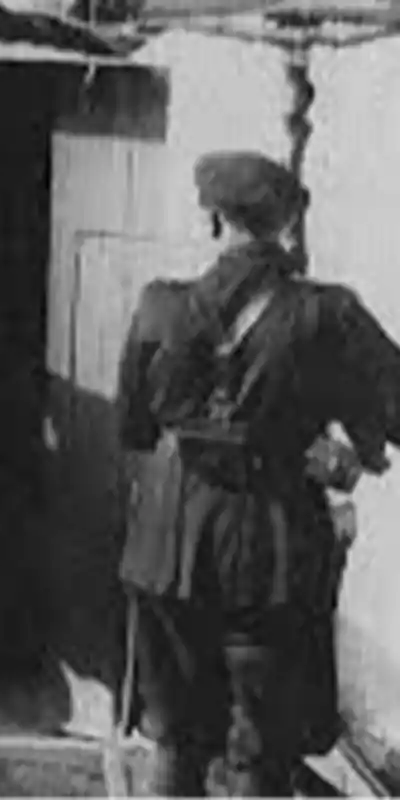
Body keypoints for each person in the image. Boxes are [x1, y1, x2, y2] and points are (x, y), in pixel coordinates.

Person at [115, 150, 400, 796]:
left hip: (165, 551)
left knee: (176, 738)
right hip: (270, 554)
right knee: (260, 749)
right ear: (285, 226)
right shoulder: (328, 316)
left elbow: (132, 428)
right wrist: (352, 443)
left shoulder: (159, 307)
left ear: (214, 220)